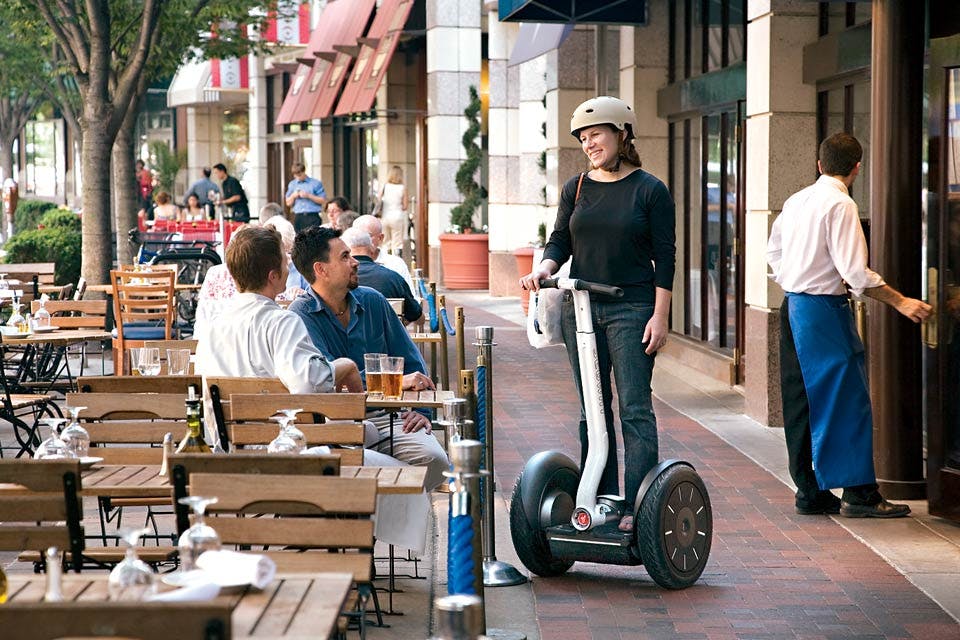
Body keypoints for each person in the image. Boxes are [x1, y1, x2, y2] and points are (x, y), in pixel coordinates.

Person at [519, 96, 676, 533]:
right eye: (583, 138)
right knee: (592, 408)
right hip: (580, 309)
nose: (589, 144)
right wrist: (544, 270)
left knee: (634, 407)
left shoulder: (650, 190)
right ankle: (604, 498)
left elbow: (665, 258)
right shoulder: (577, 188)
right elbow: (559, 242)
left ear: (622, 134)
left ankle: (638, 505)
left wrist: (660, 316)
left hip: (632, 306)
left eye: (596, 135)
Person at [767, 132, 931, 518]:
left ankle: (810, 492)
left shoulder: (797, 200)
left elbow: (772, 251)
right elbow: (856, 273)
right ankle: (860, 495)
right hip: (823, 311)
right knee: (849, 400)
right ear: (857, 168)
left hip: (792, 308)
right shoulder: (840, 205)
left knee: (801, 403)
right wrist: (902, 301)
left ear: (820, 165)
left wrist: (796, 277)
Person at [289, 226, 449, 490]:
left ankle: (383, 517)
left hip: (389, 417)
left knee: (436, 461)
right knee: (364, 471)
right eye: (344, 257)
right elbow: (329, 380)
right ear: (321, 269)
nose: (355, 263)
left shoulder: (373, 301)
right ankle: (378, 519)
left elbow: (413, 363)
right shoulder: (301, 314)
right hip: (335, 424)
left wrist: (422, 412)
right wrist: (396, 380)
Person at [194, 226, 361, 395]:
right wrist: (345, 365)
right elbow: (308, 384)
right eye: (284, 261)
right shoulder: (281, 322)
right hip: (272, 419)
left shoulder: (213, 325)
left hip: (221, 420)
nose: (288, 266)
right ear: (273, 276)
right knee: (367, 423)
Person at [342, 228, 422, 324]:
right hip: (386, 338)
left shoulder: (336, 279)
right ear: (371, 249)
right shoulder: (393, 278)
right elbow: (416, 316)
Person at [353, 214, 415, 293]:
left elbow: (411, 298)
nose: (362, 241)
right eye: (357, 236)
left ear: (380, 238)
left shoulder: (396, 264)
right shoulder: (346, 264)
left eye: (367, 236)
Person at [260, 203, 309, 295]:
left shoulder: (301, 265)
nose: (286, 256)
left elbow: (313, 295)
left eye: (288, 251)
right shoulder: (262, 266)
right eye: (281, 251)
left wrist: (303, 294)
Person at [284, 162, 327, 232]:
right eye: (296, 176)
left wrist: (308, 196)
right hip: (299, 216)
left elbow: (323, 200)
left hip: (312, 216)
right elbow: (288, 203)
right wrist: (293, 196)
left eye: (300, 175)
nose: (298, 177)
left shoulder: (315, 183)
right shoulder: (292, 184)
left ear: (304, 172)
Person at [376, 165, 409, 254]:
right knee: (397, 243)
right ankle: (397, 261)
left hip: (385, 217)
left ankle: (386, 261)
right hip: (397, 217)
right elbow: (405, 206)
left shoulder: (385, 186)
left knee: (386, 242)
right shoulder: (402, 188)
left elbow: (379, 201)